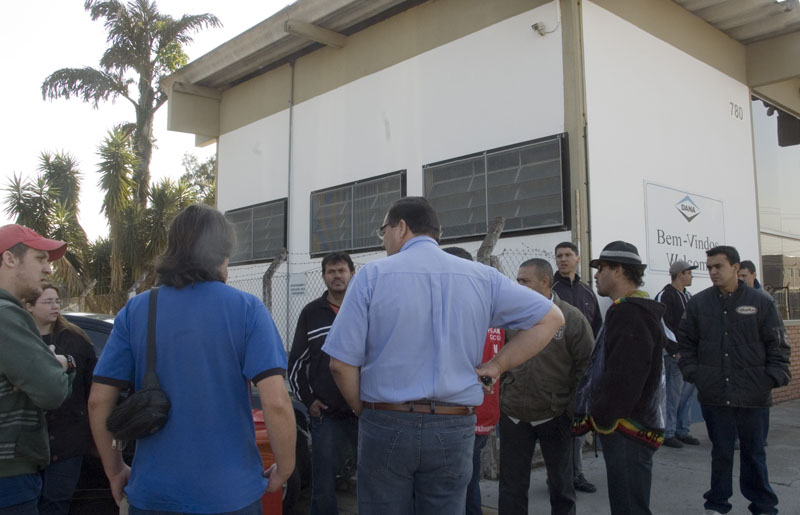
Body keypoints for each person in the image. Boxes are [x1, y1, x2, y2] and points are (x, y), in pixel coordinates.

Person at [322, 197, 565, 515]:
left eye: (384, 231)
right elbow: (552, 318)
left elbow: (340, 364)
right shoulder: (482, 277)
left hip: (387, 419)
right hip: (453, 426)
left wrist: (363, 411)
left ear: (402, 228)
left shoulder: (372, 276)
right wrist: (497, 365)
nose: (383, 241)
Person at [88, 204, 296, 514]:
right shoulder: (247, 309)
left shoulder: (137, 310)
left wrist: (115, 469)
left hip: (154, 494)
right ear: (223, 251)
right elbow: (276, 403)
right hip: (231, 494)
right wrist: (285, 467)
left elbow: (98, 400)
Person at [679, 246, 791, 515]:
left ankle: (763, 506)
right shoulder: (698, 304)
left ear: (735, 267)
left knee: (754, 454)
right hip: (715, 394)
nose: (713, 271)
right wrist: (696, 374)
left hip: (753, 395)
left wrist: (770, 378)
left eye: (718, 266)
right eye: (709, 267)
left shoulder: (761, 302)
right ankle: (717, 504)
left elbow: (778, 345)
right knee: (721, 453)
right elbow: (686, 344)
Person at [573, 240, 666, 515]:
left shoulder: (630, 313)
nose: (596, 274)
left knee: (628, 506)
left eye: (602, 268)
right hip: (627, 426)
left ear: (620, 271)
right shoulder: (626, 309)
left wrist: (603, 416)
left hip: (628, 428)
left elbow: (626, 378)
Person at [499, 259, 594, 515]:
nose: (518, 286)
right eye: (516, 280)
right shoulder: (508, 317)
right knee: (511, 487)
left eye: (524, 281)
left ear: (544, 282)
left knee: (561, 485)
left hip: (555, 415)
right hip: (513, 415)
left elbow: (586, 367)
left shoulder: (571, 318)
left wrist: (570, 411)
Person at [0, 224, 73, 515]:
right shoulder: (6, 316)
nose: (48, 270)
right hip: (9, 476)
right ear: (9, 259)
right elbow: (52, 390)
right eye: (40, 259)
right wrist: (64, 364)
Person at [288, 251, 357, 515]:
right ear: (324, 276)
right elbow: (295, 363)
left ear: (352, 273)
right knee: (323, 482)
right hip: (326, 414)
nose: (337, 276)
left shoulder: (365, 307)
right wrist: (308, 401)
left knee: (377, 478)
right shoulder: (311, 313)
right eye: (331, 271)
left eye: (342, 270)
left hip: (365, 411)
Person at [440, 246, 505, 515]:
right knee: (468, 480)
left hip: (459, 411)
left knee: (454, 484)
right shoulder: (492, 307)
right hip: (483, 410)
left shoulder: (455, 310)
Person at [23, 284, 96, 515]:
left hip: (68, 439)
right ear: (29, 306)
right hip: (28, 442)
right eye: (47, 301)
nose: (55, 306)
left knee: (55, 503)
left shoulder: (76, 339)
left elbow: (92, 388)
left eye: (57, 301)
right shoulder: (19, 340)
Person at [552, 241, 600, 494]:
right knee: (558, 430)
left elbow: (598, 329)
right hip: (556, 372)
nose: (562, 259)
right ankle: (560, 476)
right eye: (558, 255)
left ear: (577, 258)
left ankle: (576, 473)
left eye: (567, 255)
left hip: (583, 373)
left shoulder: (587, 292)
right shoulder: (550, 290)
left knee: (579, 427)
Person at [654, 261, 700, 449]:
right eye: (689, 273)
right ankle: (669, 433)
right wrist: (676, 350)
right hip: (674, 356)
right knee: (673, 395)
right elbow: (662, 324)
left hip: (689, 355)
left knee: (687, 395)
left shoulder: (687, 296)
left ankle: (683, 430)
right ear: (680, 274)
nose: (691, 276)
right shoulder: (665, 295)